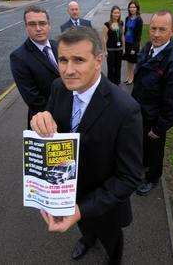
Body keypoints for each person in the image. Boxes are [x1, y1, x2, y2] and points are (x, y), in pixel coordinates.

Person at [31, 27, 143, 264]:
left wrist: (81, 210)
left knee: (112, 238)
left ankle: (114, 257)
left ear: (98, 61)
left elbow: (129, 177)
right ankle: (87, 239)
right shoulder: (58, 87)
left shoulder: (126, 109)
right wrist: (41, 119)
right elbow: (52, 125)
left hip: (104, 202)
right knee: (85, 229)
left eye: (78, 60)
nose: (68, 70)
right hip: (68, 193)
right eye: (63, 59)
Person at [131, 10, 173, 196]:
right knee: (141, 147)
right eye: (153, 28)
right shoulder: (149, 46)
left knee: (155, 151)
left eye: (162, 30)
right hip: (139, 112)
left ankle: (152, 179)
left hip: (154, 120)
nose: (156, 34)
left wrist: (159, 128)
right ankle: (142, 167)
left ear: (172, 31)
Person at [10, 6, 59, 128]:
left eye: (42, 23)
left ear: (49, 25)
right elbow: (33, 99)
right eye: (32, 24)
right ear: (26, 27)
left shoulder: (58, 45)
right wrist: (61, 113)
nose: (38, 28)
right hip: (45, 120)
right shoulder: (18, 57)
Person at [102, 6, 125, 85]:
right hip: (110, 50)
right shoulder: (107, 24)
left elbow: (122, 36)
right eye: (115, 13)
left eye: (118, 13)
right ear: (111, 13)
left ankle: (117, 83)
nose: (117, 14)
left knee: (118, 67)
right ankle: (110, 84)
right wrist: (105, 51)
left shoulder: (121, 23)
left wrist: (123, 48)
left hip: (119, 50)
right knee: (111, 68)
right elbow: (104, 38)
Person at [123, 0, 143, 85]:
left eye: (134, 7)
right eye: (130, 7)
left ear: (137, 8)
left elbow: (138, 36)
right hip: (127, 43)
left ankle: (132, 78)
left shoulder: (139, 20)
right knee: (128, 61)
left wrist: (134, 48)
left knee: (132, 62)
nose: (132, 9)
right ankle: (128, 76)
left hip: (133, 44)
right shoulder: (127, 18)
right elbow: (125, 31)